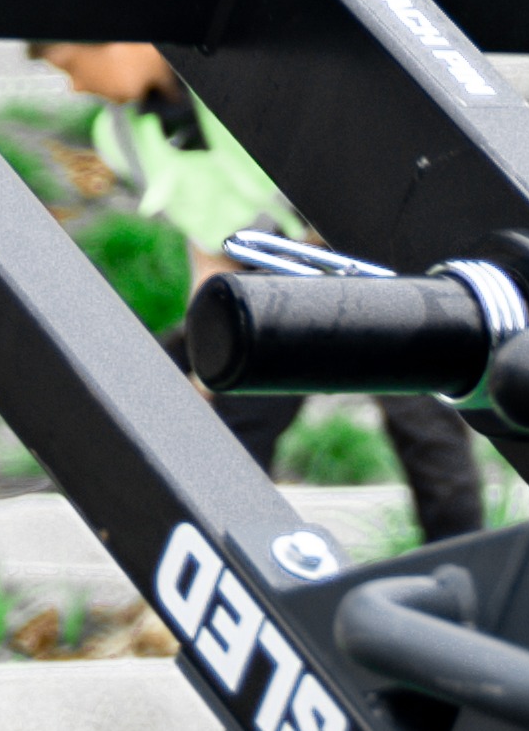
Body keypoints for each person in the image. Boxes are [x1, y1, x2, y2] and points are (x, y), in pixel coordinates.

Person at [30, 41, 489, 541]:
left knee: (422, 419)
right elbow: (209, 247)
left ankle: (462, 565)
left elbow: (352, 179)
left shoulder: (247, 79)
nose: (76, 86)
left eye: (73, 66)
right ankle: (236, 555)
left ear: (119, 40)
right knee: (198, 403)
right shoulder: (120, 133)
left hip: (360, 253)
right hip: (267, 279)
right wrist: (205, 369)